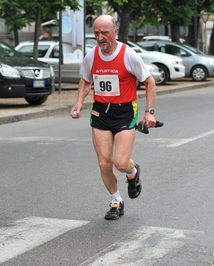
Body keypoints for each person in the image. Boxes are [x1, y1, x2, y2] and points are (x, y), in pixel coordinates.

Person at [70, 15, 157, 220]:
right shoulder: (91, 56)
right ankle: (116, 200)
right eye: (97, 33)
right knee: (104, 163)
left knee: (120, 162)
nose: (100, 37)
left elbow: (149, 82)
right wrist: (79, 102)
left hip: (125, 111)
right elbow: (85, 80)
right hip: (100, 111)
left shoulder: (129, 55)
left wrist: (149, 112)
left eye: (105, 33)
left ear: (115, 32)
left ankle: (132, 171)